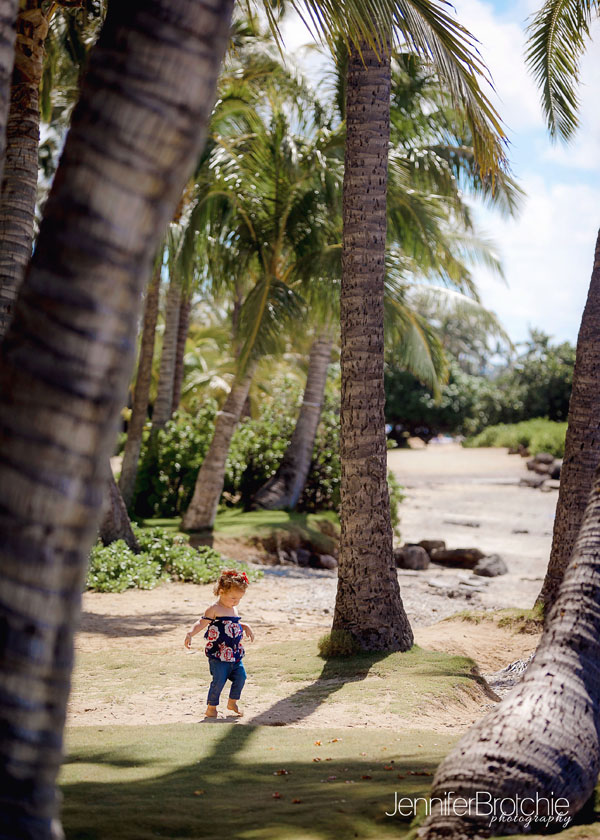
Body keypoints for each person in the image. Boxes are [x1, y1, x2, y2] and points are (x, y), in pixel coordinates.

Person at [184, 568, 255, 718]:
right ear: (221, 592)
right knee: (219, 681)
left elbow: (233, 623)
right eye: (233, 598)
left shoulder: (233, 608)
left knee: (241, 677)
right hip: (218, 654)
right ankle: (211, 707)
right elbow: (201, 623)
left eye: (239, 599)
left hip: (234, 653)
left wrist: (245, 626)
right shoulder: (214, 609)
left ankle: (232, 702)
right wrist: (190, 633)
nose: (236, 602)